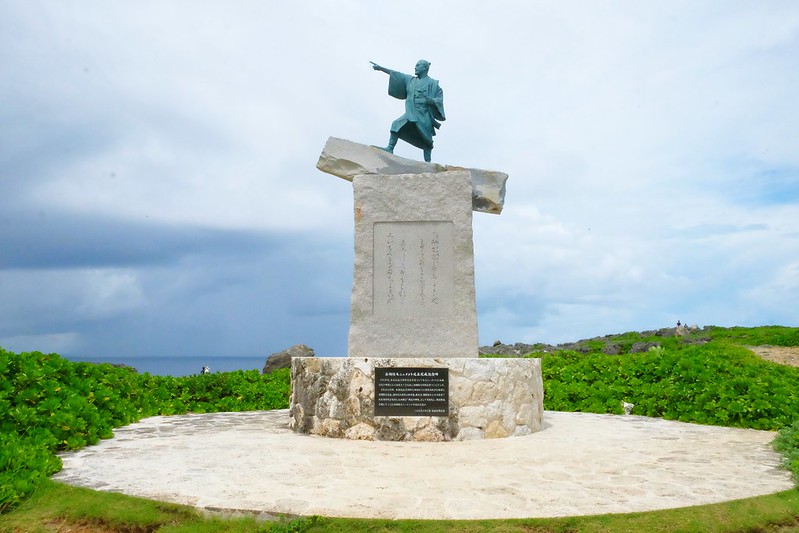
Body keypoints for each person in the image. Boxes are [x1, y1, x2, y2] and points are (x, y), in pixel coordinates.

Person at [370, 59, 445, 162]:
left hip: (424, 114)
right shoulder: (410, 80)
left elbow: (439, 98)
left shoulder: (433, 84)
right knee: (396, 125)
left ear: (425, 68)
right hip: (411, 112)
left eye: (418, 65)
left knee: (427, 140)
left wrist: (431, 101)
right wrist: (381, 68)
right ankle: (390, 148)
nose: (415, 67)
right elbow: (396, 74)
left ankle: (428, 162)